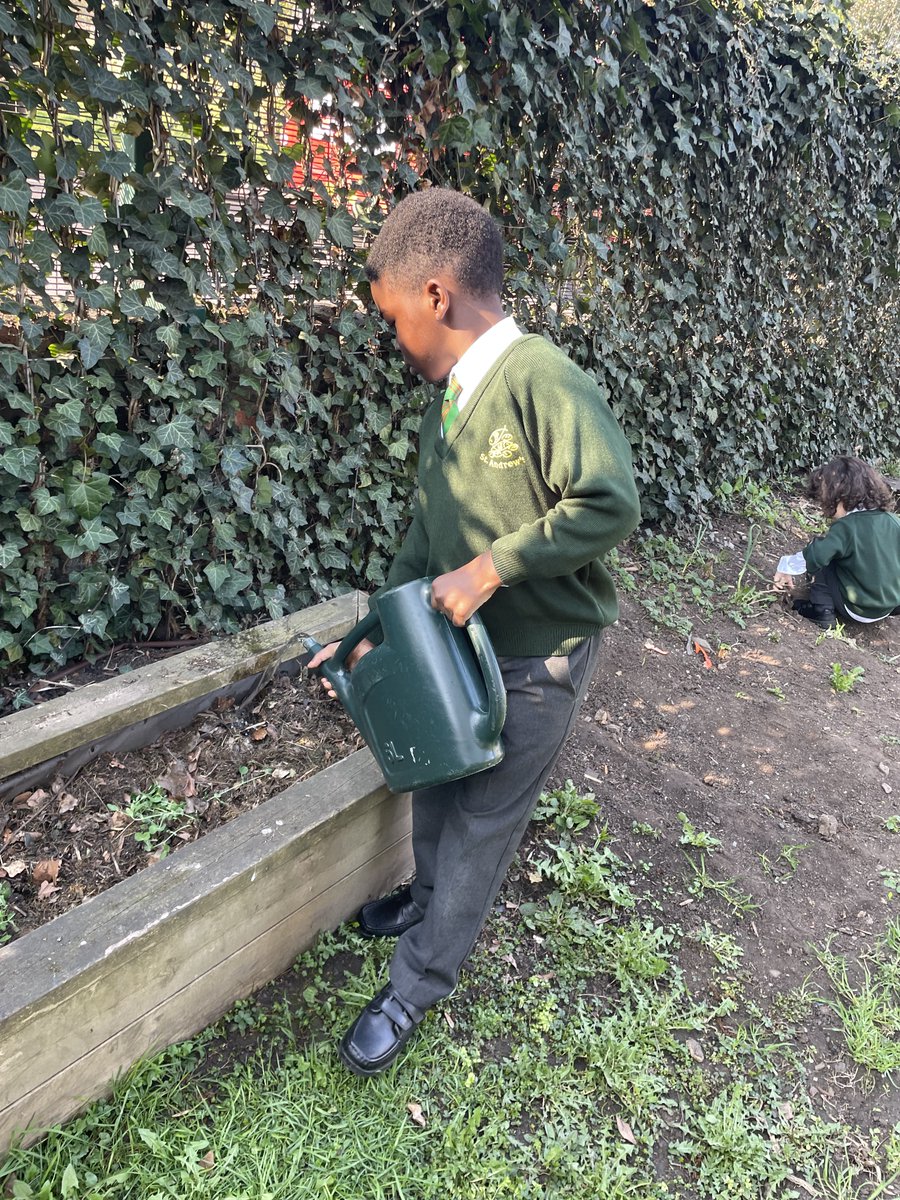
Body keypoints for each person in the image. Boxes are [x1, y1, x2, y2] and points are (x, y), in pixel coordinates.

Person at [308, 187, 641, 1076]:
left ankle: (415, 984)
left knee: (483, 823)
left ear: (436, 298)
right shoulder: (449, 398)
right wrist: (383, 624)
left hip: (537, 662)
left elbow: (611, 503)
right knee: (434, 780)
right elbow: (425, 533)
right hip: (458, 646)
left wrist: (494, 567)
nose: (393, 340)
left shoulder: (541, 377)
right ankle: (421, 901)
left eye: (392, 320)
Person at [773, 455, 900, 629]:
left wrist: (786, 566)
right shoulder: (893, 521)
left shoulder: (847, 527)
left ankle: (822, 610)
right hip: (889, 605)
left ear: (840, 496)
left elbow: (816, 555)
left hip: (857, 608)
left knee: (823, 553)